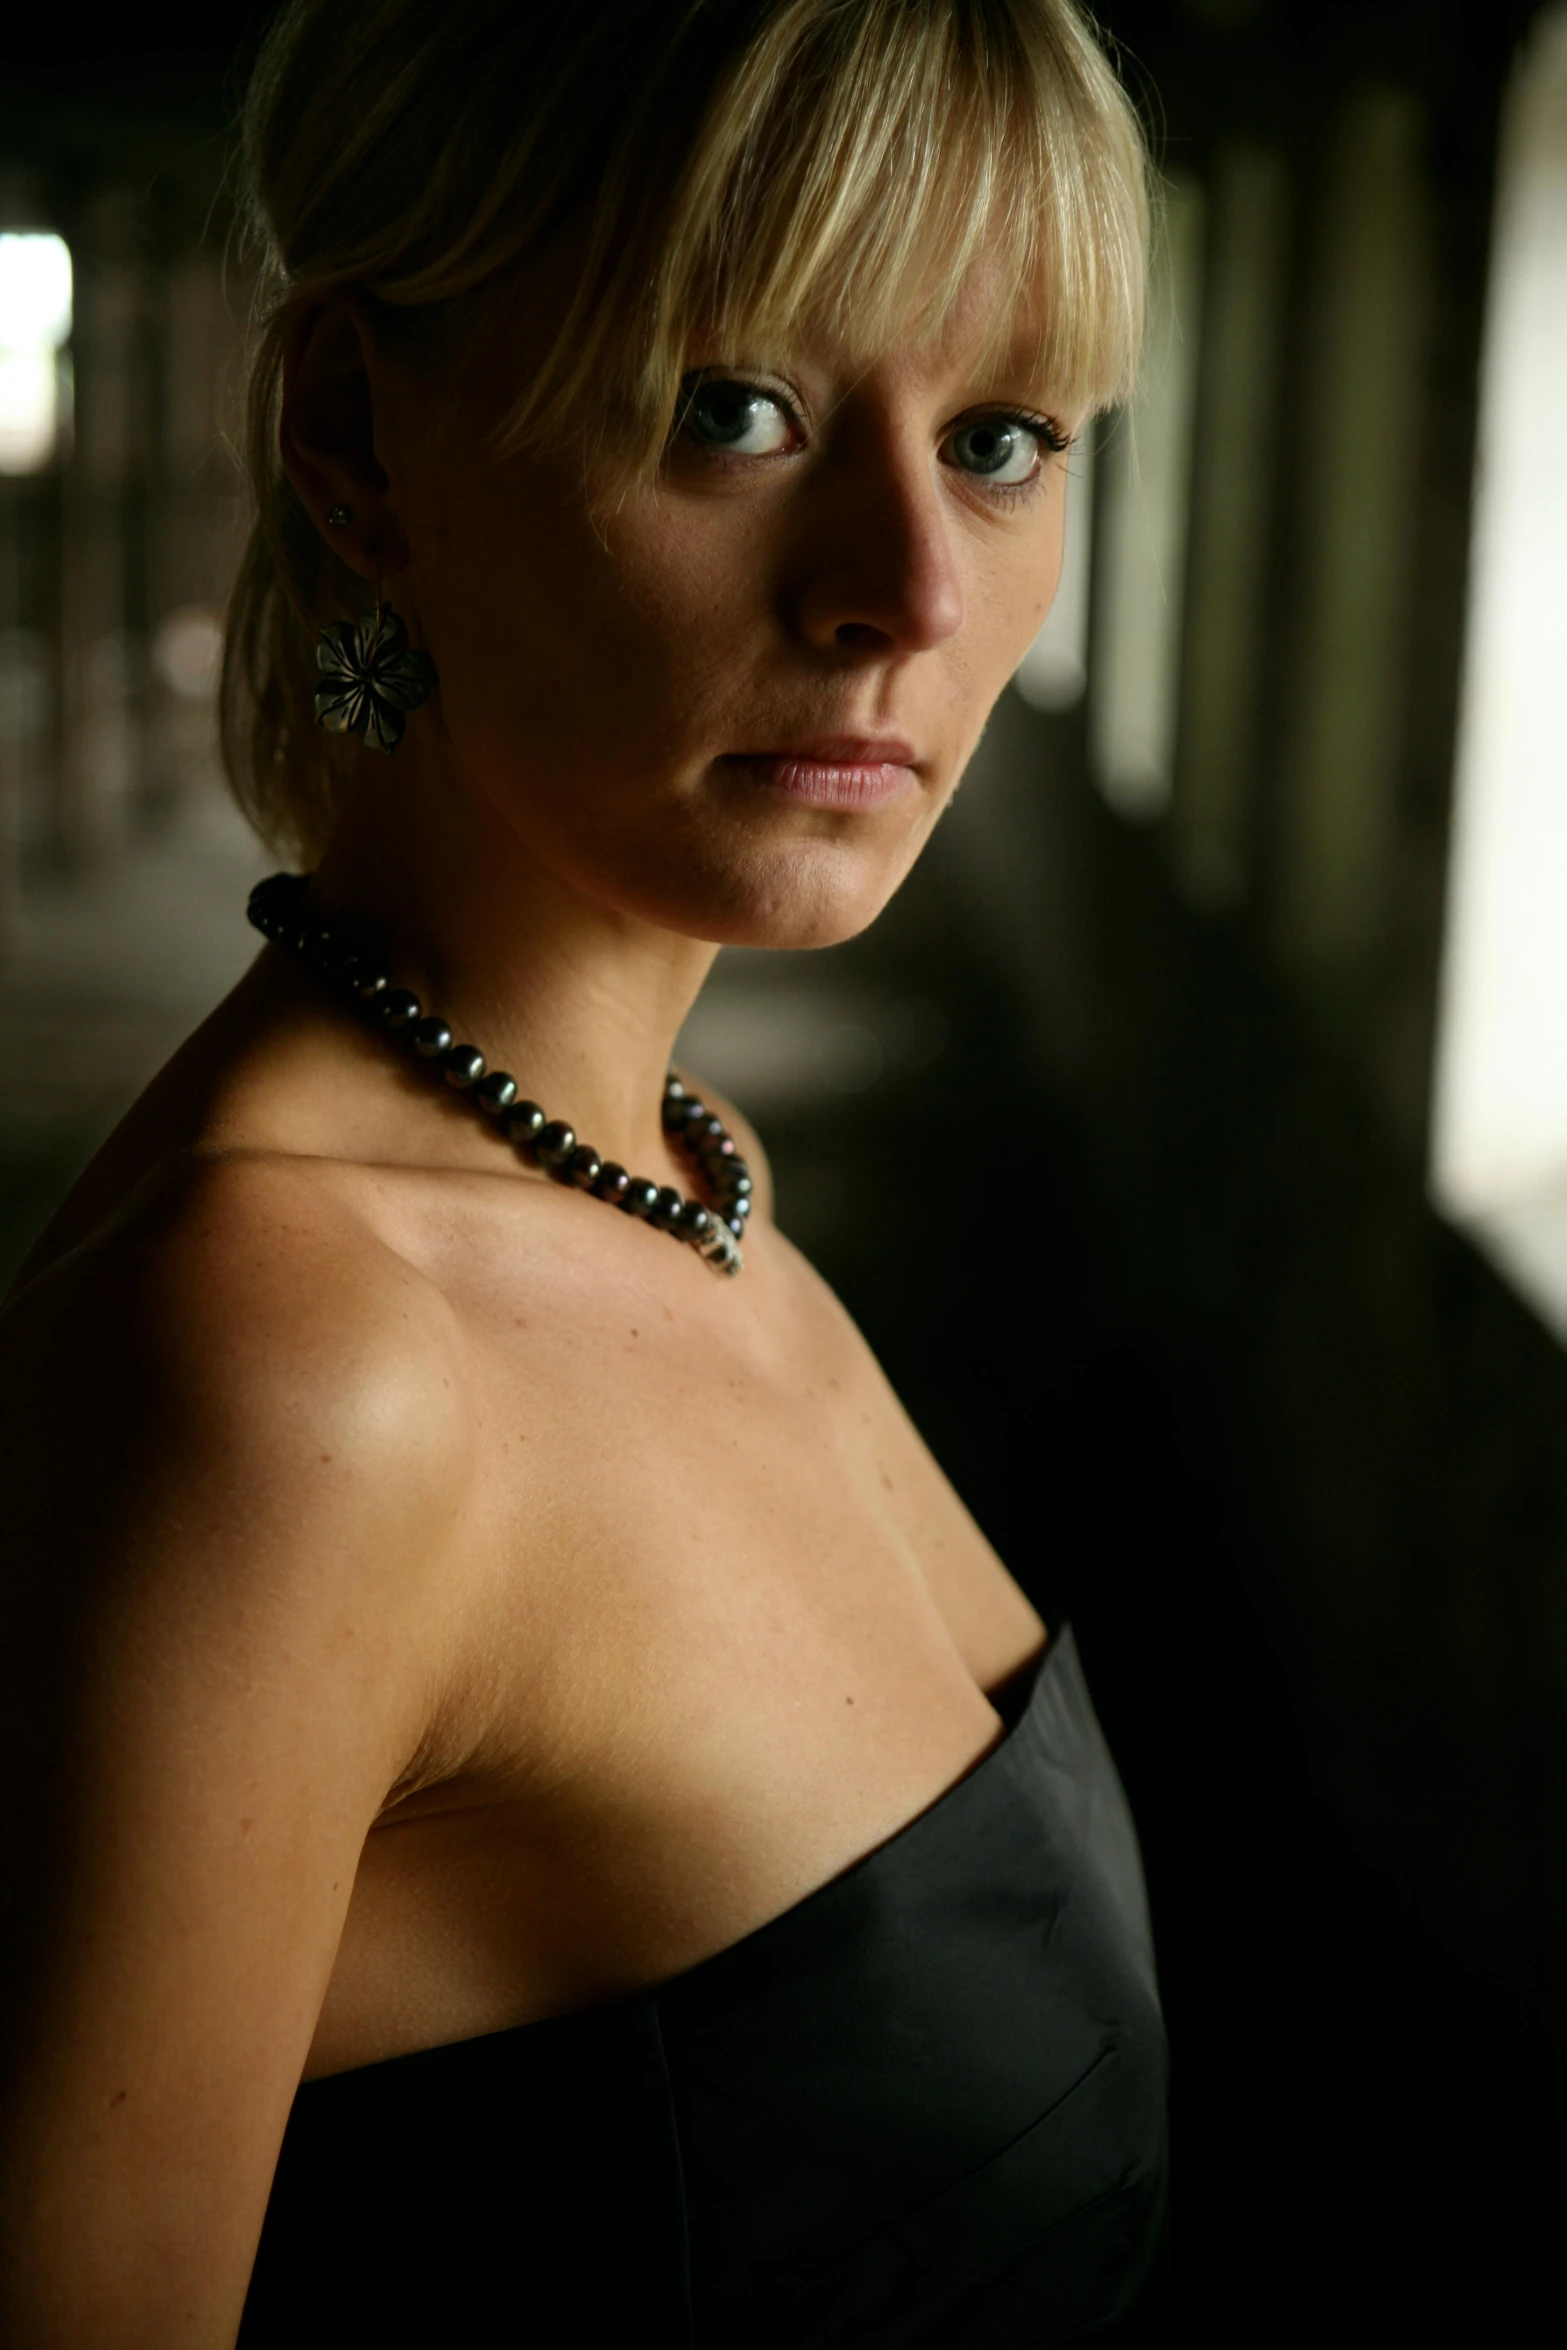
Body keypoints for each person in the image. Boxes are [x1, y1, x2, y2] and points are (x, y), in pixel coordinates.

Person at [0, 3, 1164, 2341]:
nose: (911, 594)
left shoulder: (686, 1186)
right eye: (735, 407)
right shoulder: (294, 1367)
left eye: (1006, 437)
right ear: (358, 437)